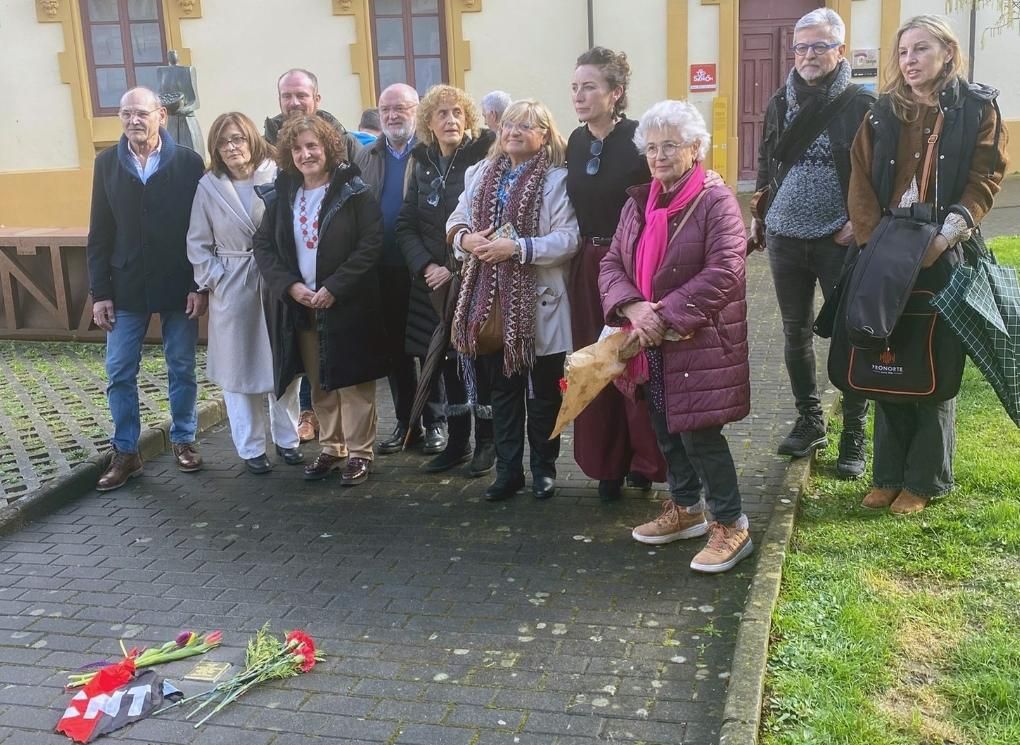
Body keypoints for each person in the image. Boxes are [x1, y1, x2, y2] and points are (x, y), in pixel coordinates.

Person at [847, 14, 1008, 513]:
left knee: (932, 362)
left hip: (946, 248)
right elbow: (859, 180)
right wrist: (878, 248)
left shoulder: (978, 108)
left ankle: (924, 479)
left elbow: (985, 175)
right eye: (903, 51)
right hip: (885, 254)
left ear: (947, 54)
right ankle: (888, 473)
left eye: (920, 49)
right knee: (886, 353)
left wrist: (941, 238)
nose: (909, 60)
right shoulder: (881, 113)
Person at [600, 100, 753, 574]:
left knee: (701, 434)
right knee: (664, 427)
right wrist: (632, 307)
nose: (659, 156)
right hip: (649, 340)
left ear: (694, 149)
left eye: (670, 146)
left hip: (697, 339)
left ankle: (732, 524)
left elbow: (727, 268)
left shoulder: (716, 199)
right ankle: (686, 508)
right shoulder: (638, 202)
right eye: (651, 147)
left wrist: (662, 314)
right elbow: (612, 263)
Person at [752, 8, 874, 479]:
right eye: (801, 47)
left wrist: (858, 224)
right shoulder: (779, 102)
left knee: (852, 333)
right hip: (785, 237)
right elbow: (767, 160)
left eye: (819, 47)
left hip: (838, 239)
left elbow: (876, 176)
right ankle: (810, 420)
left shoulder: (861, 106)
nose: (808, 55)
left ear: (839, 50)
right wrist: (763, 215)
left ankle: (854, 433)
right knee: (794, 332)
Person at [448, 99, 580, 501]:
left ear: (544, 135)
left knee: (543, 394)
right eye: (508, 125)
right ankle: (508, 472)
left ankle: (543, 469)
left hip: (540, 301)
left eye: (526, 125)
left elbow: (569, 239)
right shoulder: (481, 174)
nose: (513, 132)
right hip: (492, 306)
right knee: (503, 395)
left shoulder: (558, 180)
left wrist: (517, 248)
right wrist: (465, 238)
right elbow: (456, 220)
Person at [252, 115, 388, 486]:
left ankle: (360, 453)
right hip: (303, 302)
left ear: (328, 148)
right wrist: (291, 287)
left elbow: (370, 245)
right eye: (297, 148)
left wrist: (335, 287)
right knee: (320, 380)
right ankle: (332, 446)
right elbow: (263, 246)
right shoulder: (282, 194)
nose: (305, 154)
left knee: (353, 382)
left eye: (312, 146)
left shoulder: (354, 192)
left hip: (348, 302)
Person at [86, 87, 206, 491]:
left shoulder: (189, 163)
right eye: (125, 114)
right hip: (125, 286)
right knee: (119, 370)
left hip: (177, 282)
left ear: (161, 117)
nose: (133, 120)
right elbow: (99, 232)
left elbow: (200, 229)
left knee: (182, 365)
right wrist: (99, 292)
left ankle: (185, 439)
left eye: (141, 113)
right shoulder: (106, 163)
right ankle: (126, 451)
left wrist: (197, 283)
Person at [566, 47, 668, 502]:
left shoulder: (638, 139)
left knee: (633, 363)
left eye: (589, 86)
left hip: (632, 266)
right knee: (594, 362)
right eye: (575, 87)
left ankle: (643, 463)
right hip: (586, 266)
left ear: (616, 92)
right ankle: (606, 464)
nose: (580, 95)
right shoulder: (573, 141)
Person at [186, 112, 303, 474]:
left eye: (237, 138)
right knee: (239, 372)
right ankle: (251, 447)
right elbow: (197, 242)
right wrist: (216, 278)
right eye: (222, 142)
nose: (231, 147)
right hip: (232, 284)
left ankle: (289, 439)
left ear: (251, 138)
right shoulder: (208, 187)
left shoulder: (278, 175)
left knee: (282, 363)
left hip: (275, 281)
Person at [396, 85, 497, 476]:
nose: (450, 119)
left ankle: (487, 444)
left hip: (472, 279)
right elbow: (406, 223)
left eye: (458, 112)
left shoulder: (482, 158)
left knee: (478, 363)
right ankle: (457, 442)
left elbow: (486, 219)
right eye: (441, 114)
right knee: (445, 363)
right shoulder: (420, 162)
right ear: (428, 123)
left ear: (469, 118)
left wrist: (455, 266)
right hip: (432, 287)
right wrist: (425, 266)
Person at [264, 67, 363, 444]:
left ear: (316, 99)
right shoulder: (272, 155)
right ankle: (321, 431)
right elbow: (267, 236)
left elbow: (363, 226)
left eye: (301, 95)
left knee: (348, 371)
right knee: (309, 361)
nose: (293, 102)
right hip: (297, 283)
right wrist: (288, 283)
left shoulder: (345, 149)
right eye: (286, 96)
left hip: (342, 283)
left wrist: (340, 280)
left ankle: (357, 448)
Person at [356, 84, 448, 457]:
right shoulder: (367, 155)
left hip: (423, 267)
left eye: (401, 108)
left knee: (430, 346)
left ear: (417, 111)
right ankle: (407, 423)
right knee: (394, 351)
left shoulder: (430, 152)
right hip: (383, 267)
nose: (393, 115)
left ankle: (437, 422)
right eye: (385, 109)